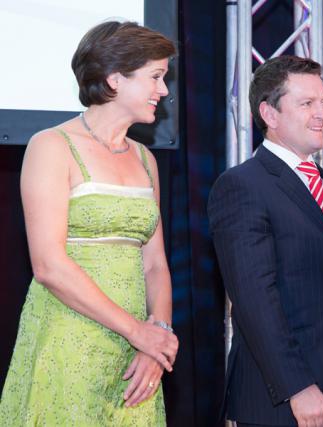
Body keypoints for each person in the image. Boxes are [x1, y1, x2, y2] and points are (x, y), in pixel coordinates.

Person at [0, 21, 178, 425]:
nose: (163, 91)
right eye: (155, 77)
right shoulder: (52, 146)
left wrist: (156, 340)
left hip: (136, 355)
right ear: (116, 79)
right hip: (68, 335)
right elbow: (48, 265)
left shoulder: (145, 159)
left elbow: (155, 264)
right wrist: (138, 332)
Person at [208, 55, 323, 427]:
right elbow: (255, 300)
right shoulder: (242, 185)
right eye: (307, 104)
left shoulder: (322, 180)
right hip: (288, 402)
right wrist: (297, 387)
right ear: (269, 114)